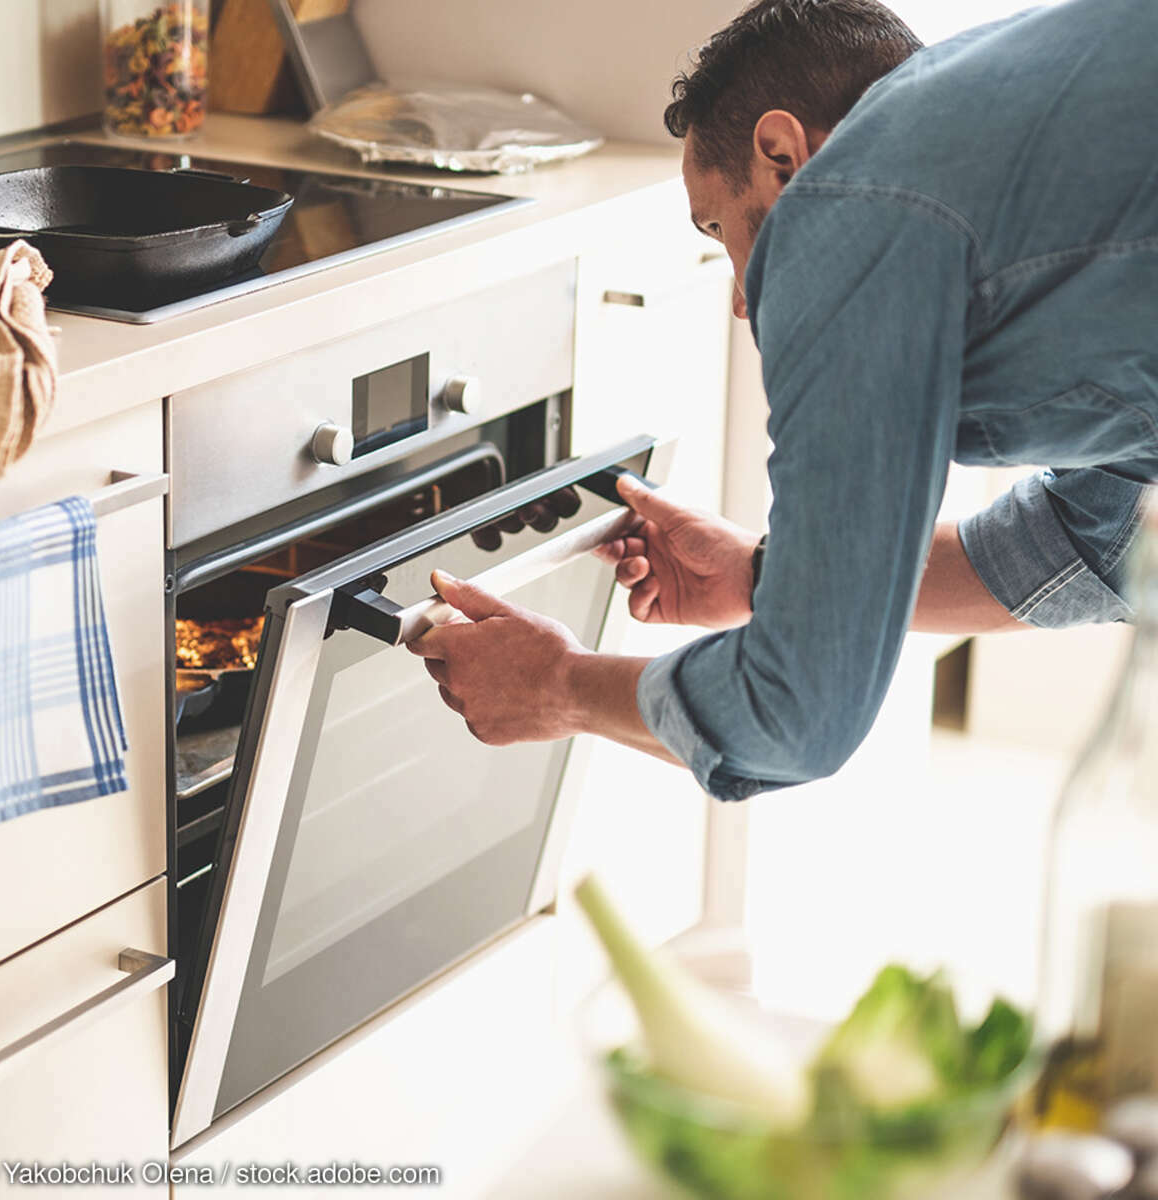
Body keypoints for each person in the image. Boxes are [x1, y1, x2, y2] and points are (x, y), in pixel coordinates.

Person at [408, 0, 1158, 802]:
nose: (741, 299)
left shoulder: (850, 207)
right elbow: (1096, 537)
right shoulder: (990, 149)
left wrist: (560, 685)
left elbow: (797, 712)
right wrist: (767, 577)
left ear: (782, 157)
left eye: (719, 228)